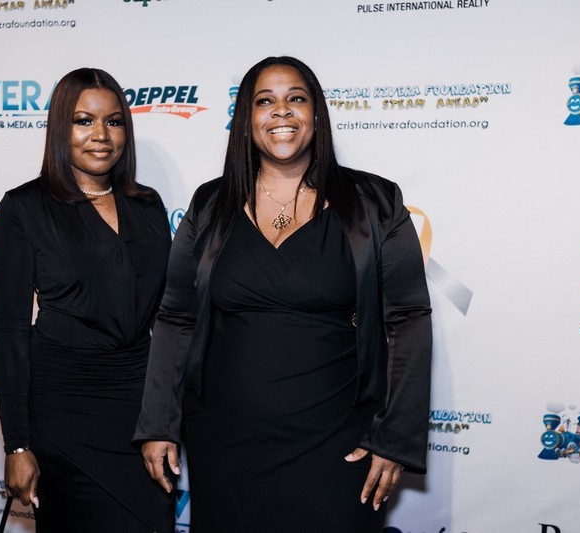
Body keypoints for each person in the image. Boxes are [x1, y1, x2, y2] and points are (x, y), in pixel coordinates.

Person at [134, 56, 432, 532]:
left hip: (338, 443)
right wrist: (158, 423)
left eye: (296, 98)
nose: (281, 111)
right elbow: (176, 317)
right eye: (264, 101)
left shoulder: (375, 202)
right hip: (223, 443)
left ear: (316, 113)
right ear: (246, 118)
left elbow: (409, 318)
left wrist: (395, 435)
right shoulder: (210, 203)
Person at [0, 67, 174, 532]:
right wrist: (17, 445)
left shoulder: (147, 204)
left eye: (114, 122)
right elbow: (10, 333)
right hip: (63, 414)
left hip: (139, 411)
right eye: (83, 121)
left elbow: (170, 317)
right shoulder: (24, 208)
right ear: (60, 128)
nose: (101, 135)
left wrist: (164, 418)